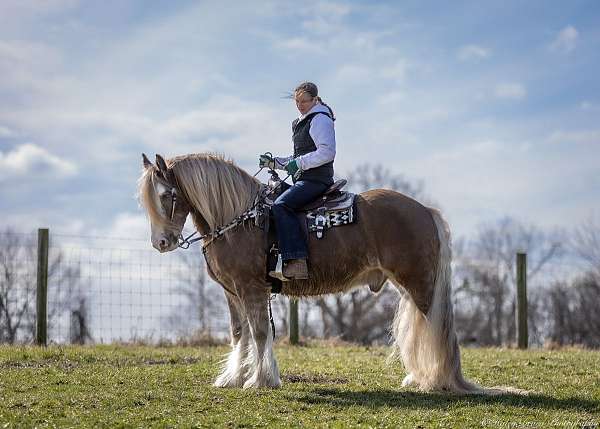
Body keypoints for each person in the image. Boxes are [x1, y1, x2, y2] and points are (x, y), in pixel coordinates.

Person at [259, 82, 336, 280]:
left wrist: (298, 164)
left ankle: (296, 261)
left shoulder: (320, 119)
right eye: (297, 102)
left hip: (316, 180)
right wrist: (274, 163)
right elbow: (298, 158)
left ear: (315, 100)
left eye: (304, 101)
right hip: (304, 179)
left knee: (281, 205)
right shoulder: (301, 121)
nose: (300, 105)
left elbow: (327, 152)